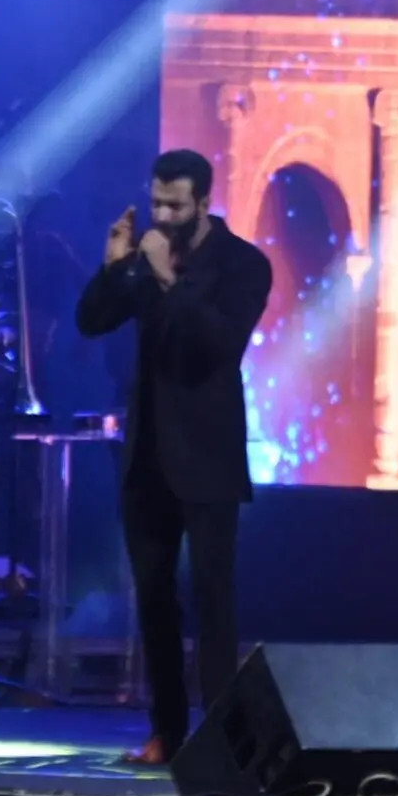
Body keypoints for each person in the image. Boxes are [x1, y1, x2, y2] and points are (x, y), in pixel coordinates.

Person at [75, 148, 273, 763]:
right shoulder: (144, 257)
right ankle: (166, 731)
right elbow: (91, 322)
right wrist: (114, 269)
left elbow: (221, 343)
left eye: (175, 206)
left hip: (208, 453)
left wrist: (167, 279)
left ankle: (221, 740)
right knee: (154, 597)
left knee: (213, 598)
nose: (162, 215)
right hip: (148, 455)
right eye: (156, 202)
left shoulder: (244, 263)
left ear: (204, 202)